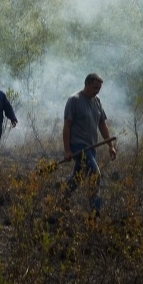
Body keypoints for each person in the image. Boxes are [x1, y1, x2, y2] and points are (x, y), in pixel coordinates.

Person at [62, 73, 116, 214]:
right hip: (78, 146)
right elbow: (67, 126)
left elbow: (102, 125)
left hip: (91, 146)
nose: (97, 91)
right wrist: (67, 150)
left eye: (98, 88)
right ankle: (95, 209)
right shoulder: (74, 100)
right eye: (94, 87)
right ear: (86, 84)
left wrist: (110, 146)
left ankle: (63, 200)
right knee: (95, 173)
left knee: (77, 176)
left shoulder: (97, 101)